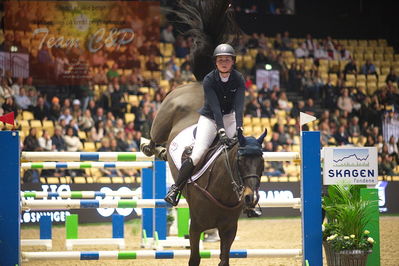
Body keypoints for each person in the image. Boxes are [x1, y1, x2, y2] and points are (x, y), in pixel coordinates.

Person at [164, 44, 247, 207]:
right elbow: (215, 107)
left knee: (241, 154)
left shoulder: (238, 78)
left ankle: (248, 198)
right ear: (215, 62)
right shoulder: (209, 79)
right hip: (210, 118)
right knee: (197, 153)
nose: (224, 62)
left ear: (233, 62)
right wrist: (221, 132)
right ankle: (176, 189)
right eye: (221, 60)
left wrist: (239, 128)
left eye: (227, 60)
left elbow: (239, 106)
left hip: (230, 117)